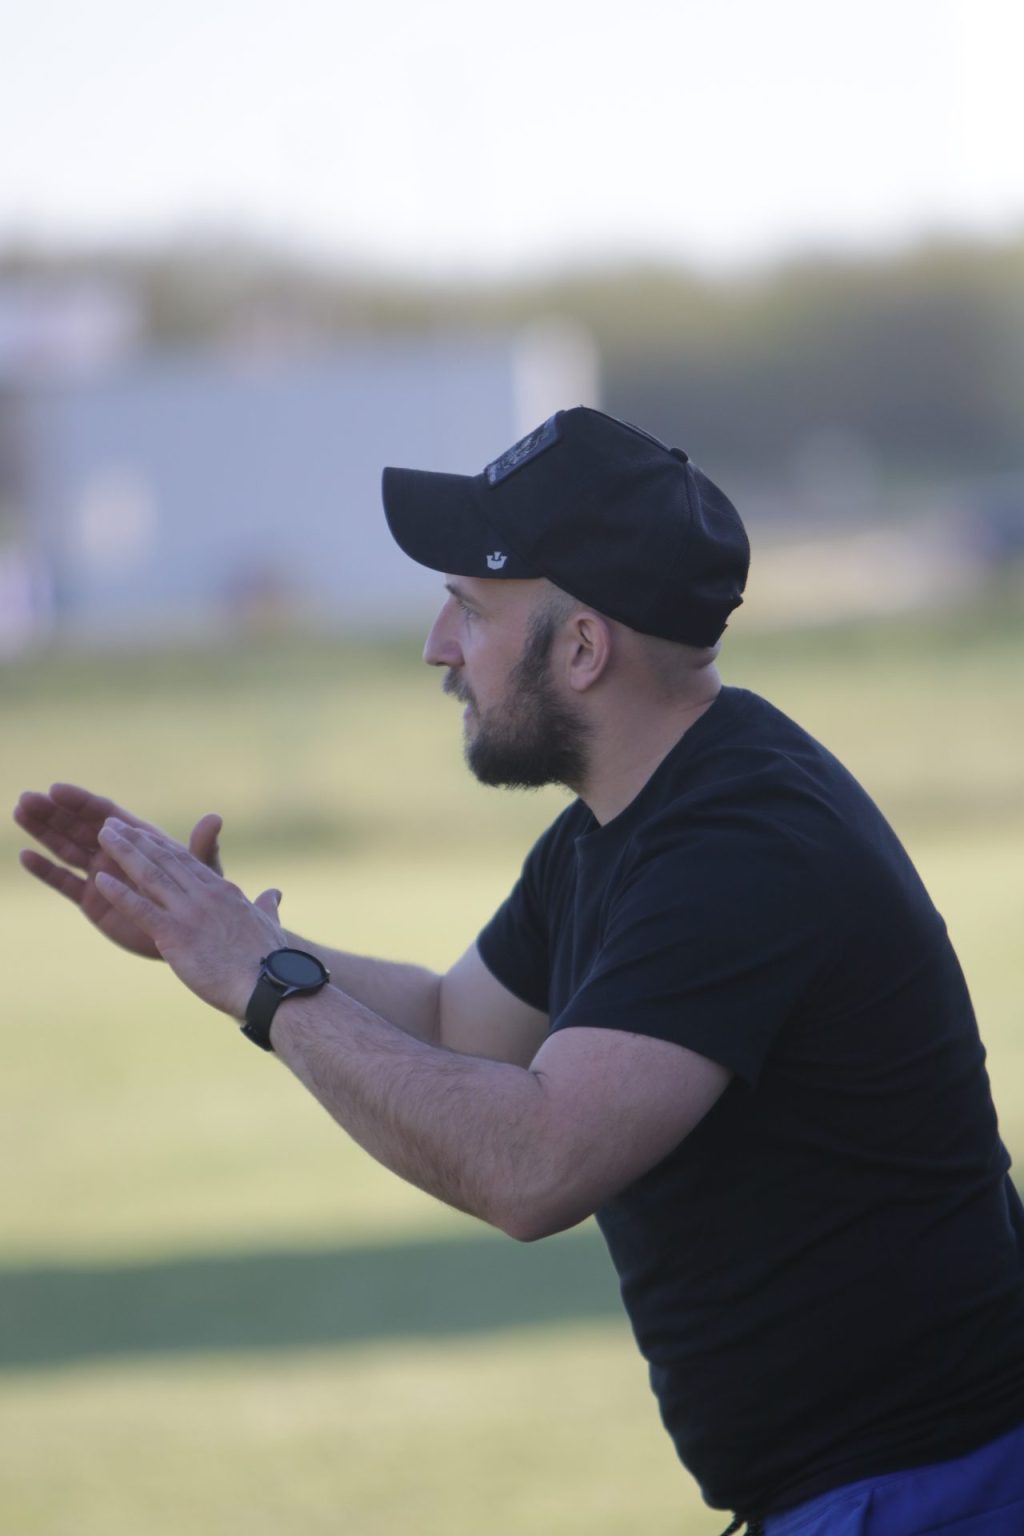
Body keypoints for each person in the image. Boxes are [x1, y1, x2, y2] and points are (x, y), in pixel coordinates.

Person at [14, 406, 1024, 1536]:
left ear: (583, 648)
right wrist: (209, 936)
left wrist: (263, 980)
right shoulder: (620, 829)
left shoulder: (741, 848)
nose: (439, 648)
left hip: (938, 1491)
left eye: (470, 608)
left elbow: (534, 1165)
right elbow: (459, 1026)